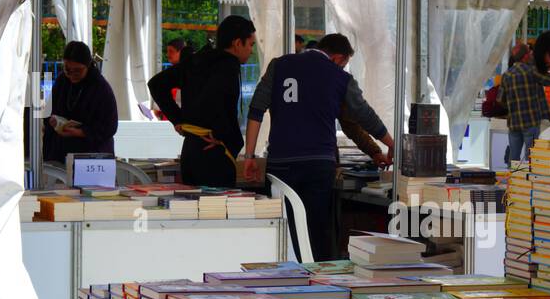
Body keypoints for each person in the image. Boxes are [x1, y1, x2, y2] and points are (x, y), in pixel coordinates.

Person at [242, 33, 394, 261]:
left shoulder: (279, 65)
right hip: (318, 164)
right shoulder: (340, 78)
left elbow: (256, 109)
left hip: (280, 164)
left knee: (283, 224)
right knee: (317, 227)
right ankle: (318, 278)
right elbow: (364, 114)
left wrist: (250, 155)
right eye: (344, 63)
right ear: (337, 58)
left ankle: (284, 273)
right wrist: (390, 144)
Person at [148, 14, 256, 187]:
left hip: (191, 149)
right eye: (251, 44)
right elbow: (216, 100)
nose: (251, 50)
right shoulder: (228, 66)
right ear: (237, 43)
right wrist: (221, 135)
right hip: (214, 152)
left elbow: (156, 84)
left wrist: (178, 119)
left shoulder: (196, 61)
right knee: (217, 211)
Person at [502, 30, 550, 163]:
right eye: (529, 52)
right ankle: (530, 179)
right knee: (531, 156)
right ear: (525, 57)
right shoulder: (531, 71)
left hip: (513, 122)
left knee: (514, 157)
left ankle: (513, 179)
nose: (531, 55)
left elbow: (500, 99)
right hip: (530, 121)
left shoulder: (507, 75)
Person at [43, 40, 118, 164]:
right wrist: (53, 121)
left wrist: (80, 132)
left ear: (88, 66)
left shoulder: (100, 88)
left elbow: (109, 126)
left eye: (78, 70)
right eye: (67, 69)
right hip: (60, 153)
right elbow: (51, 109)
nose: (72, 74)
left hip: (92, 155)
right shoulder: (62, 81)